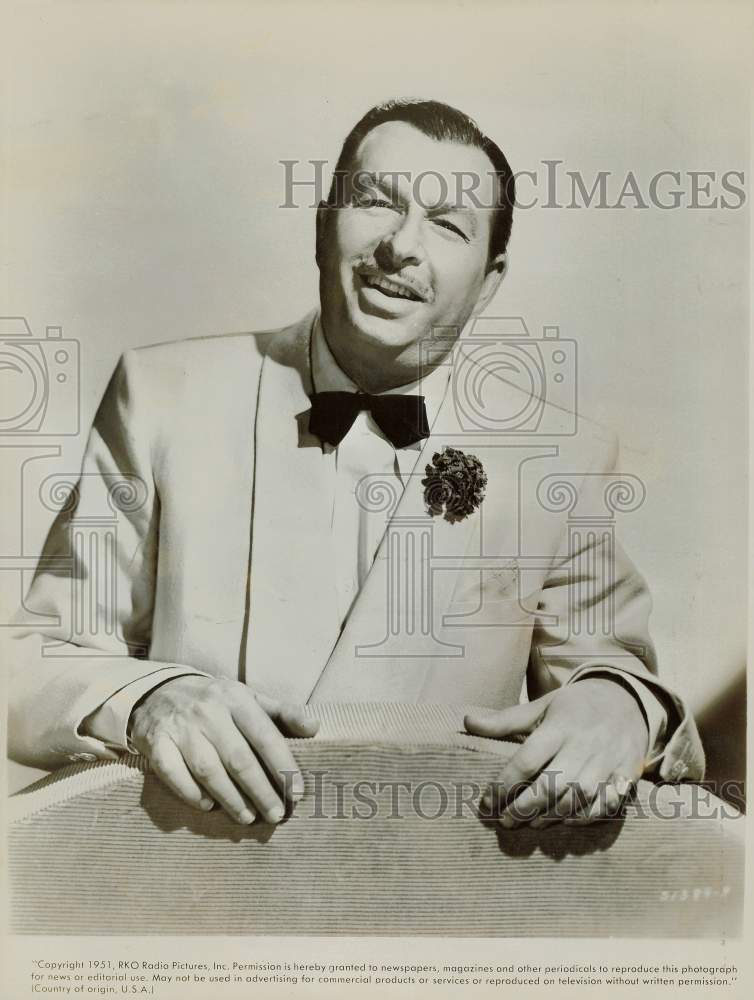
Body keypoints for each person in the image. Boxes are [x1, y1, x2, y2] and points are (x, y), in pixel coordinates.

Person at [9, 99, 704, 830]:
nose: (401, 246)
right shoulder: (160, 398)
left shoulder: (560, 462)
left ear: (490, 278)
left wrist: (620, 706)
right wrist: (146, 698)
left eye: (447, 224)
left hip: (436, 899)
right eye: (376, 201)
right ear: (321, 224)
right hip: (193, 890)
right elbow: (30, 664)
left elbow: (617, 672)